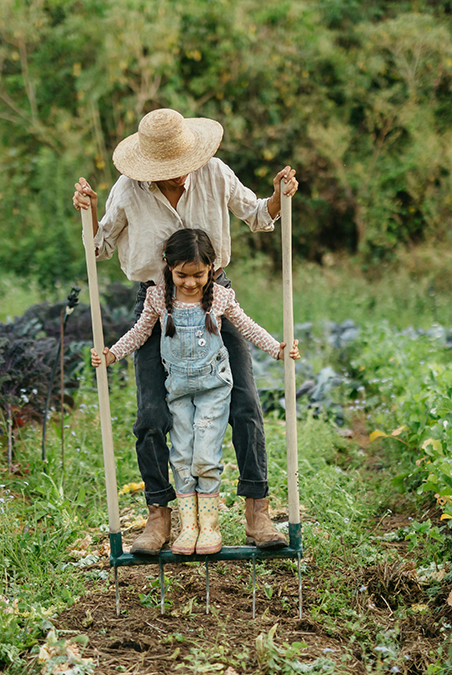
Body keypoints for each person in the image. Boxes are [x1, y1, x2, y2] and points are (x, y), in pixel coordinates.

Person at [72, 107, 299, 554]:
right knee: (151, 416)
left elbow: (257, 214)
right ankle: (159, 517)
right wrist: (89, 212)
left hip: (217, 300)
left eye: (182, 168)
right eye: (167, 173)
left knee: (246, 403)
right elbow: (97, 246)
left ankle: (258, 512)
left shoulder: (213, 172)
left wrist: (278, 196)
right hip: (156, 307)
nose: (179, 177)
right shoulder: (128, 190)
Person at [91, 229, 300, 554]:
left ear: (212, 269)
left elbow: (245, 326)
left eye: (198, 275)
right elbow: (140, 333)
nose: (189, 283)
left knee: (205, 456)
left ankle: (211, 528)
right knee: (181, 457)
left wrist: (277, 349)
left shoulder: (218, 296)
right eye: (181, 275)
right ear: (167, 267)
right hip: (178, 391)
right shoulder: (158, 298)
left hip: (212, 390)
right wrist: (112, 354)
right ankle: (187, 528)